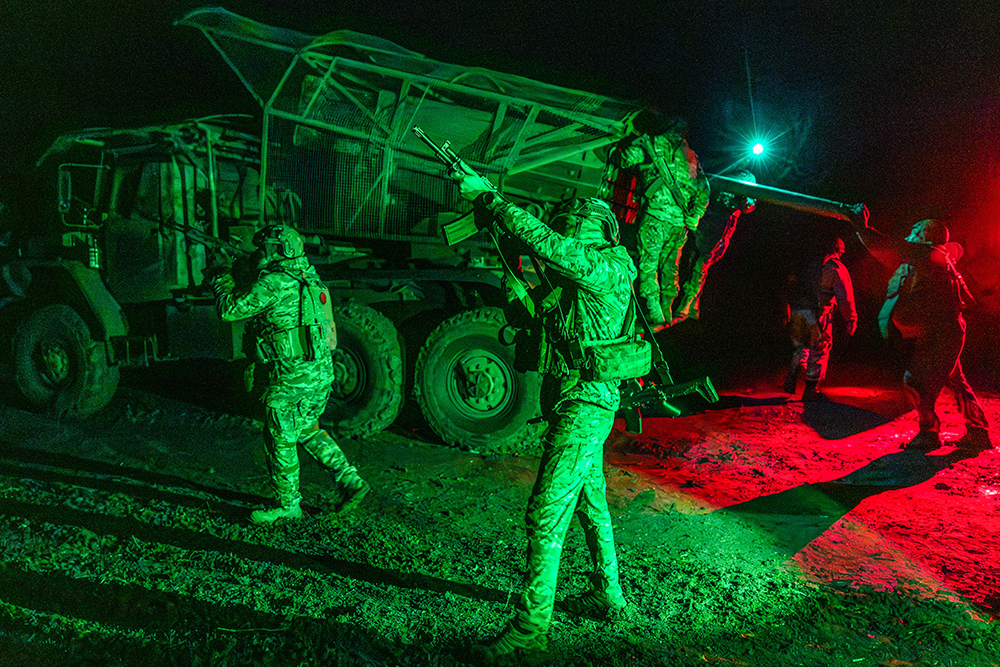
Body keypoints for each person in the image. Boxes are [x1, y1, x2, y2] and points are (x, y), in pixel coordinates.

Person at [452, 169, 634, 659]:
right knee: (591, 502)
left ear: (596, 230)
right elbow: (535, 319)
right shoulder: (576, 276)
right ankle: (608, 593)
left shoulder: (606, 266)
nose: (567, 231)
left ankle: (532, 630)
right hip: (576, 402)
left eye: (573, 225)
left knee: (545, 512)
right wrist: (513, 276)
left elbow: (554, 247)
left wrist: (493, 200)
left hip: (585, 406)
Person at [212, 225, 369, 524]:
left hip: (291, 378)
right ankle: (350, 480)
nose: (259, 254)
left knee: (280, 438)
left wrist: (220, 275)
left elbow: (229, 310)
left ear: (278, 250)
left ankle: (287, 506)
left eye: (264, 248)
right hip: (319, 375)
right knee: (308, 429)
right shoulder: (312, 280)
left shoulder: (274, 282)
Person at [852, 212, 990, 450]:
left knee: (915, 380)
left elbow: (887, 247)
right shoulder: (928, 259)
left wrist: (861, 226)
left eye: (914, 232)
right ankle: (978, 431)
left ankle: (929, 432)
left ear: (925, 237)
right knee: (955, 380)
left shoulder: (928, 254)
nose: (909, 236)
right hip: (939, 331)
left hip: (941, 332)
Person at [612, 110, 710, 327]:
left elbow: (624, 160)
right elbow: (704, 189)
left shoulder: (652, 143)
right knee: (670, 267)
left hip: (655, 217)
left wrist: (626, 144)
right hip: (680, 223)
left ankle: (655, 314)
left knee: (648, 266)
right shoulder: (690, 154)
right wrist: (694, 216)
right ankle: (667, 309)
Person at [672, 170, 757, 324]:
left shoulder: (747, 177)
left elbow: (749, 204)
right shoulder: (723, 166)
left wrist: (745, 201)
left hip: (720, 224)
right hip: (703, 216)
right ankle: (690, 303)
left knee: (701, 264)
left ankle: (687, 303)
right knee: (690, 258)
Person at [783, 236, 858, 401]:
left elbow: (791, 284)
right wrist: (851, 318)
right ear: (837, 250)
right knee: (820, 348)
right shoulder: (835, 268)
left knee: (801, 346)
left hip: (798, 309)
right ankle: (812, 390)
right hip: (819, 312)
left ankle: (793, 375)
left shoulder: (806, 263)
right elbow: (845, 298)